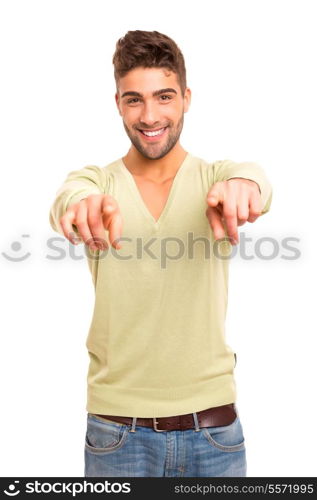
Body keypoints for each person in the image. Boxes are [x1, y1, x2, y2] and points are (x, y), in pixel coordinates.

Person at [49, 30, 272, 477]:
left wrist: (244, 187)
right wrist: (79, 207)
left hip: (213, 431)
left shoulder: (215, 177)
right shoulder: (97, 181)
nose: (150, 115)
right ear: (118, 104)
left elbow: (252, 180)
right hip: (117, 434)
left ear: (186, 98)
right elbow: (70, 199)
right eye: (134, 100)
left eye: (164, 97)